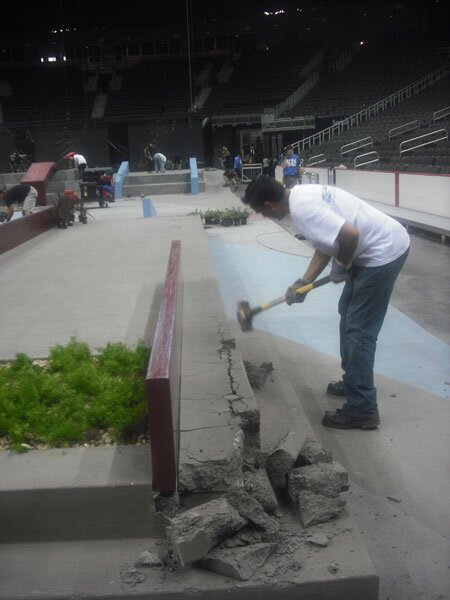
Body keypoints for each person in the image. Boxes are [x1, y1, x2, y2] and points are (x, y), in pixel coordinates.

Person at [242, 176, 410, 430]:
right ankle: (354, 380)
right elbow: (328, 241)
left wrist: (341, 266)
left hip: (382, 254)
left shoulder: (303, 210)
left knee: (359, 331)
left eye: (261, 212)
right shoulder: (299, 194)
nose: (264, 216)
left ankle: (362, 409)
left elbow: (349, 234)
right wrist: (303, 282)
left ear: (269, 204)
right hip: (371, 249)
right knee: (347, 314)